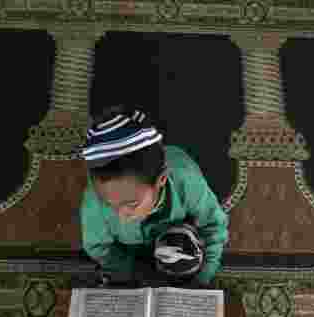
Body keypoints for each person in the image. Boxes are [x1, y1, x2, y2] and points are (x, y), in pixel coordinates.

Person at [79, 105, 229, 289]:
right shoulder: (95, 197)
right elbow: (98, 247)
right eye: (109, 204)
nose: (121, 215)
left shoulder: (186, 180)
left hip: (176, 234)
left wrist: (202, 279)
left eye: (132, 204)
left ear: (162, 180)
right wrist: (131, 273)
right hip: (130, 248)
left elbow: (213, 226)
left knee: (181, 252)